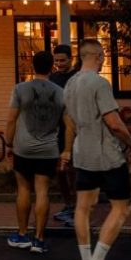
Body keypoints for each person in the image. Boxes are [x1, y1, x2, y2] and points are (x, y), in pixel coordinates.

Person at [62, 38, 131, 260]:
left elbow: (70, 122)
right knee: (121, 209)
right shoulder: (99, 83)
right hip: (107, 155)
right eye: (104, 56)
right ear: (99, 56)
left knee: (83, 207)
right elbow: (115, 123)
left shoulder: (70, 83)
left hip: (83, 152)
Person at [5, 50, 65, 254]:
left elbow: (11, 119)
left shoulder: (20, 89)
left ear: (33, 66)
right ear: (52, 67)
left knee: (23, 189)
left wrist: (9, 143)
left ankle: (22, 234)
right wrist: (65, 149)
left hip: (24, 147)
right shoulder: (60, 92)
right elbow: (69, 123)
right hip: (49, 149)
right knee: (42, 191)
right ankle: (39, 239)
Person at [49, 43, 78, 227]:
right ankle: (68, 204)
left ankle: (77, 208)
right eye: (57, 60)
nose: (59, 63)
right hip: (57, 129)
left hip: (75, 127)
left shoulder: (77, 78)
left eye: (63, 60)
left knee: (73, 169)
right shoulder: (53, 77)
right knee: (59, 170)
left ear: (71, 59)